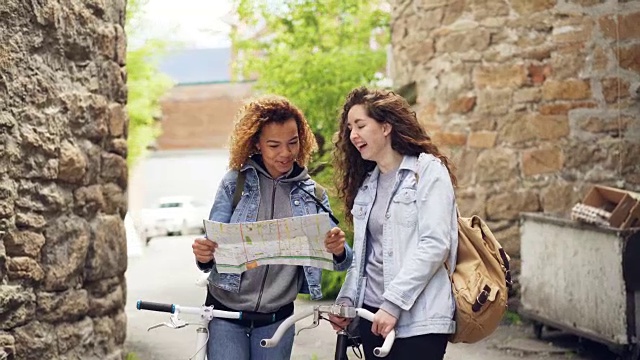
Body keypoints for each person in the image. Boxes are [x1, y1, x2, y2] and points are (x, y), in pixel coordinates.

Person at [191, 95, 352, 360]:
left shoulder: (314, 194)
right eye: (274, 145)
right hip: (226, 313)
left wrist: (337, 250)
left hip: (277, 319)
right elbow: (211, 249)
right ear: (256, 144)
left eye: (293, 143)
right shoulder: (235, 183)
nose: (286, 153)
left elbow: (343, 260)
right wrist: (204, 256)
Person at [329, 87, 458, 359]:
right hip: (371, 317)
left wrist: (393, 304)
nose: (353, 135)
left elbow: (435, 245)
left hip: (418, 321)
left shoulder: (427, 171)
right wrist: (346, 301)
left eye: (361, 125)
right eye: (350, 128)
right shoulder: (367, 186)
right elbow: (364, 258)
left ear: (386, 127)